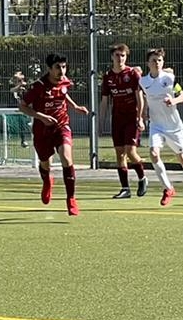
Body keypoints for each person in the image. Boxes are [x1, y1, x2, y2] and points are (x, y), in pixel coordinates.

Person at [20, 53, 89, 216]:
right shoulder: (38, 86)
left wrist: (75, 106)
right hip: (42, 130)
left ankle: (71, 199)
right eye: (58, 67)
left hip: (61, 126)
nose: (62, 71)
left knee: (66, 158)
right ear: (49, 69)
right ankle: (47, 181)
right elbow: (22, 106)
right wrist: (41, 117)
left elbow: (63, 94)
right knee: (45, 164)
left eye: (64, 67)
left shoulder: (65, 81)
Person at [140, 48, 183, 208]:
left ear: (163, 62)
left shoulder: (169, 79)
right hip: (156, 125)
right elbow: (145, 99)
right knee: (153, 153)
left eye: (159, 60)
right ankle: (168, 188)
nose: (157, 63)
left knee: (182, 158)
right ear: (148, 63)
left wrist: (173, 101)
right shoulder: (143, 82)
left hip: (174, 126)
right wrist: (143, 115)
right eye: (154, 60)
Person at [100, 43, 148, 199]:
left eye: (123, 55)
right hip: (117, 118)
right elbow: (105, 100)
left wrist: (140, 118)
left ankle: (142, 177)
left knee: (130, 151)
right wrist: (100, 121)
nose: (120, 58)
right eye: (117, 55)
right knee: (119, 154)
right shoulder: (108, 77)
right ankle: (125, 188)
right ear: (112, 57)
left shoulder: (133, 74)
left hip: (132, 118)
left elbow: (139, 97)